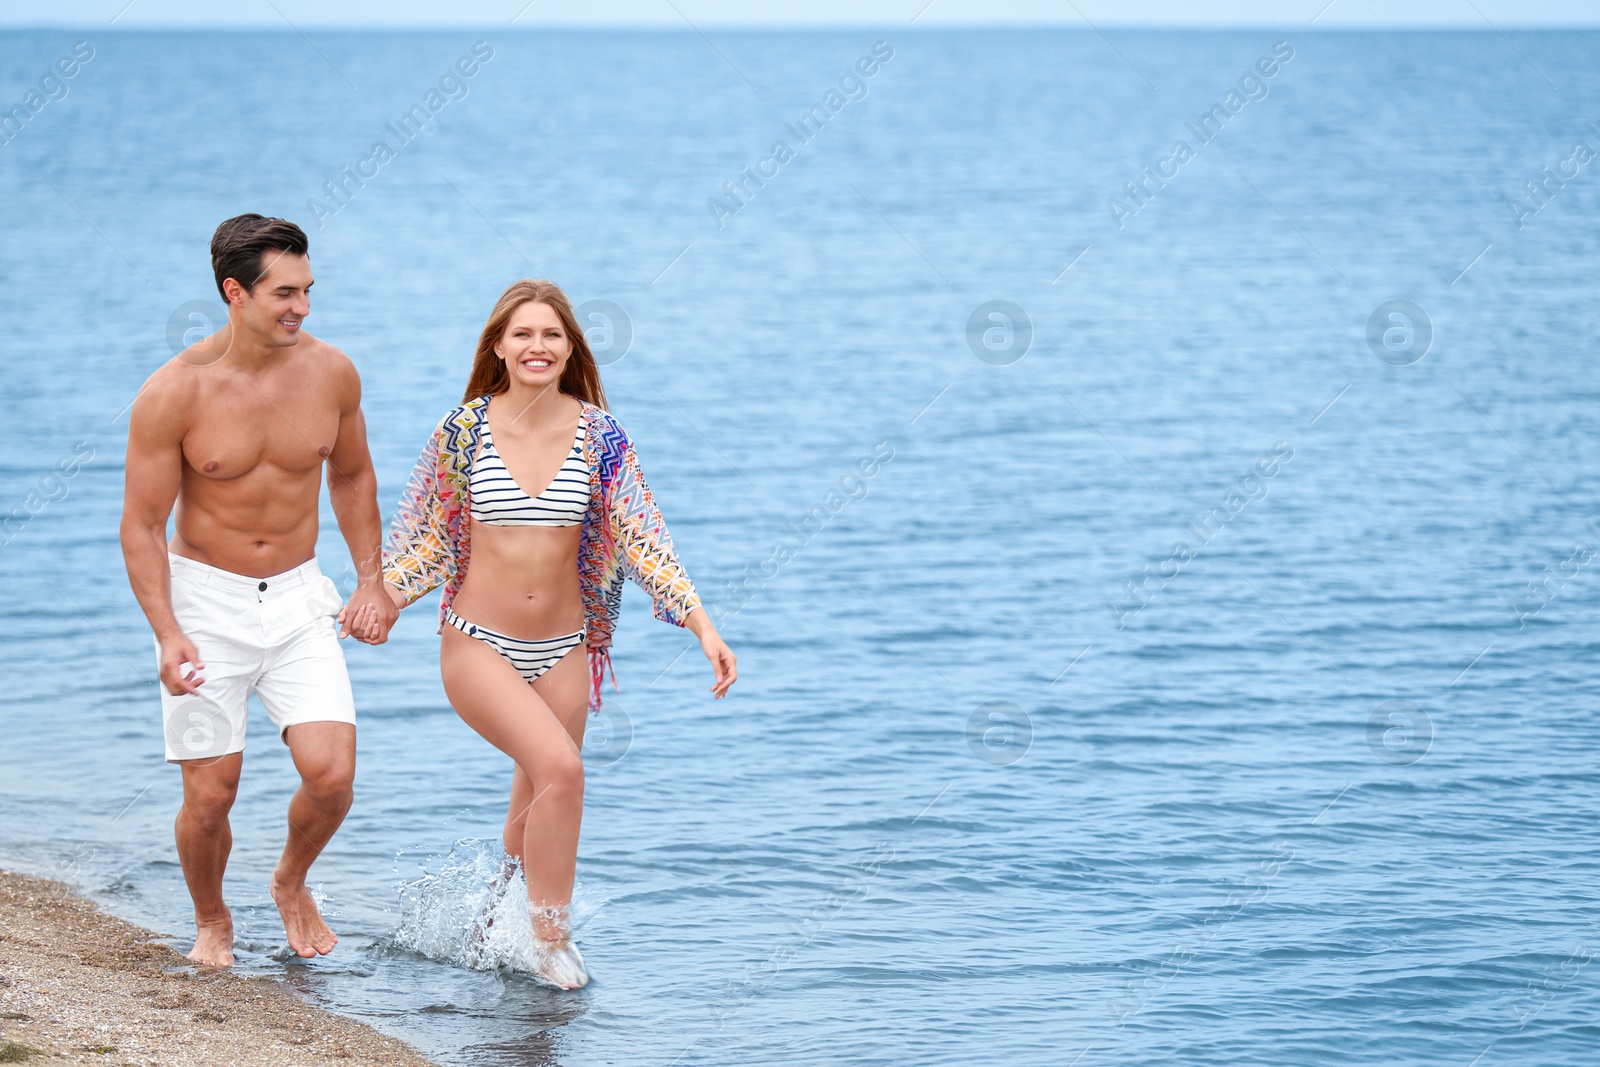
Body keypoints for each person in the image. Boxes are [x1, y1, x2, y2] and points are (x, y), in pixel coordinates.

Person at [377, 278, 736, 989]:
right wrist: (381, 601)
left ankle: (487, 929)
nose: (537, 346)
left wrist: (701, 623)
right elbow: (425, 541)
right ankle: (550, 939)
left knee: (538, 798)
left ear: (571, 347)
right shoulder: (461, 432)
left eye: (551, 334)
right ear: (498, 347)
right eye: (523, 334)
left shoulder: (601, 436)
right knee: (563, 771)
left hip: (568, 650)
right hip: (477, 640)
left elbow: (642, 538)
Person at [119, 214, 398, 968]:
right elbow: (142, 527)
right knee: (211, 795)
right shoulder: (173, 394)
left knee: (333, 775)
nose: (301, 307)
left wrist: (372, 579)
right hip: (204, 601)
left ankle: (290, 880)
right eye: (284, 293)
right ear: (233, 292)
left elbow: (350, 473)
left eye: (308, 290)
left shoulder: (332, 372)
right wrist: (169, 631)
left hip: (301, 597)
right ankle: (212, 918)